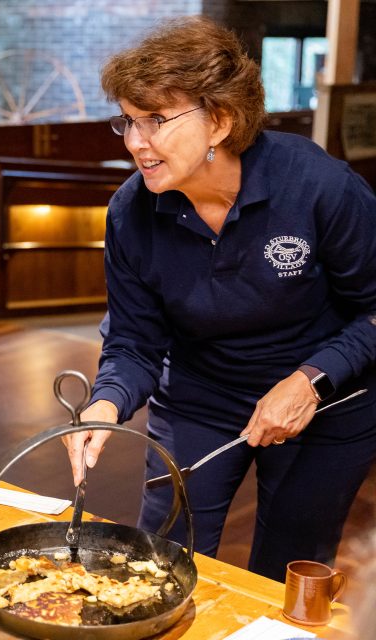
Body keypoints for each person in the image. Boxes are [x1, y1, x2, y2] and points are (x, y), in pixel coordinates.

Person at [63, 16, 376, 582]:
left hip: (327, 401)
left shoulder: (317, 187)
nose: (136, 142)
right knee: (160, 566)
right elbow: (134, 340)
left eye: (156, 120)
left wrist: (311, 379)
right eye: (129, 122)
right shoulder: (131, 212)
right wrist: (105, 405)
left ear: (220, 121)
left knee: (285, 574)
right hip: (199, 397)